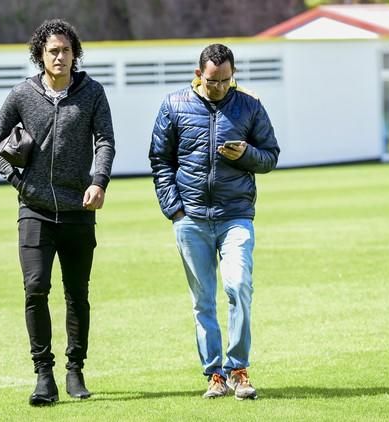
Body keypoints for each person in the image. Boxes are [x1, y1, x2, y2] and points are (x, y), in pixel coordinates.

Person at [0, 18, 115, 406]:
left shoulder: (92, 93)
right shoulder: (21, 95)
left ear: (75, 54)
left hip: (78, 210)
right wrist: (17, 181)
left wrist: (99, 181)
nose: (60, 56)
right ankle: (44, 375)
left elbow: (106, 141)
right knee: (35, 288)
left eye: (66, 50)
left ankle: (75, 370)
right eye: (52, 51)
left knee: (77, 295)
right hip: (35, 211)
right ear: (40, 55)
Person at [149, 43, 280, 400]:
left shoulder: (249, 106)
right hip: (190, 218)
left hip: (235, 215)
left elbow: (270, 156)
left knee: (238, 287)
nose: (220, 86)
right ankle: (214, 374)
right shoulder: (174, 105)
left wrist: (247, 155)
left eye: (226, 80)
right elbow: (160, 160)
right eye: (212, 80)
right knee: (203, 301)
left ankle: (238, 369)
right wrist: (174, 209)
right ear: (198, 74)